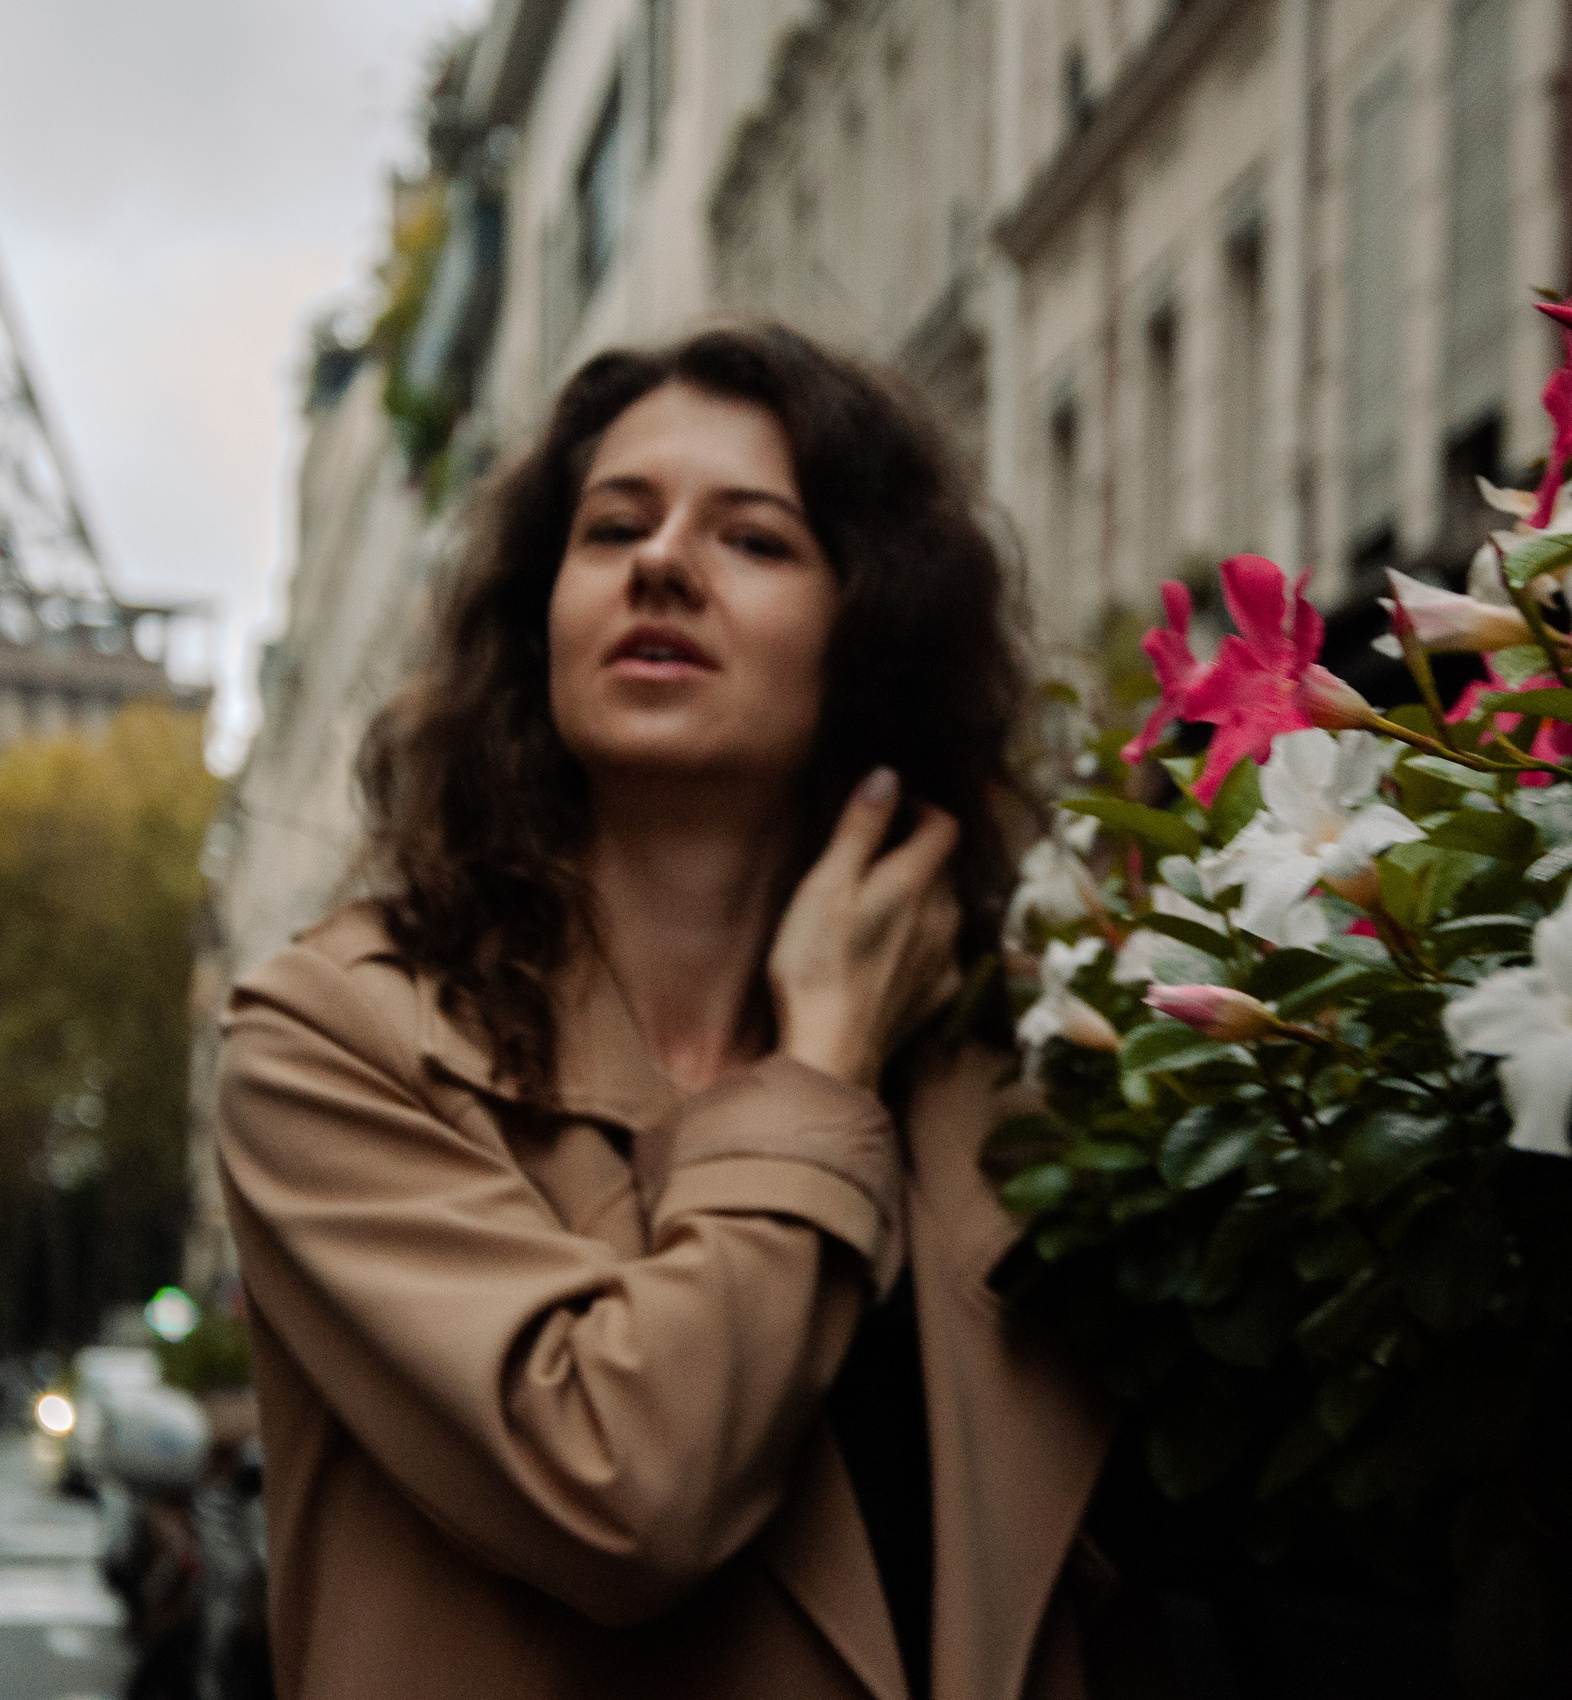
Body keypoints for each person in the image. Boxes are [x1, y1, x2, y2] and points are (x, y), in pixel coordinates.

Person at [216, 324, 1117, 1700]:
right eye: (613, 526)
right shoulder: (339, 1039)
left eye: (754, 539)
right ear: (544, 618)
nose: (661, 562)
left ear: (868, 630)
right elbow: (628, 1487)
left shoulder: (1000, 1083)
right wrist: (819, 1071)